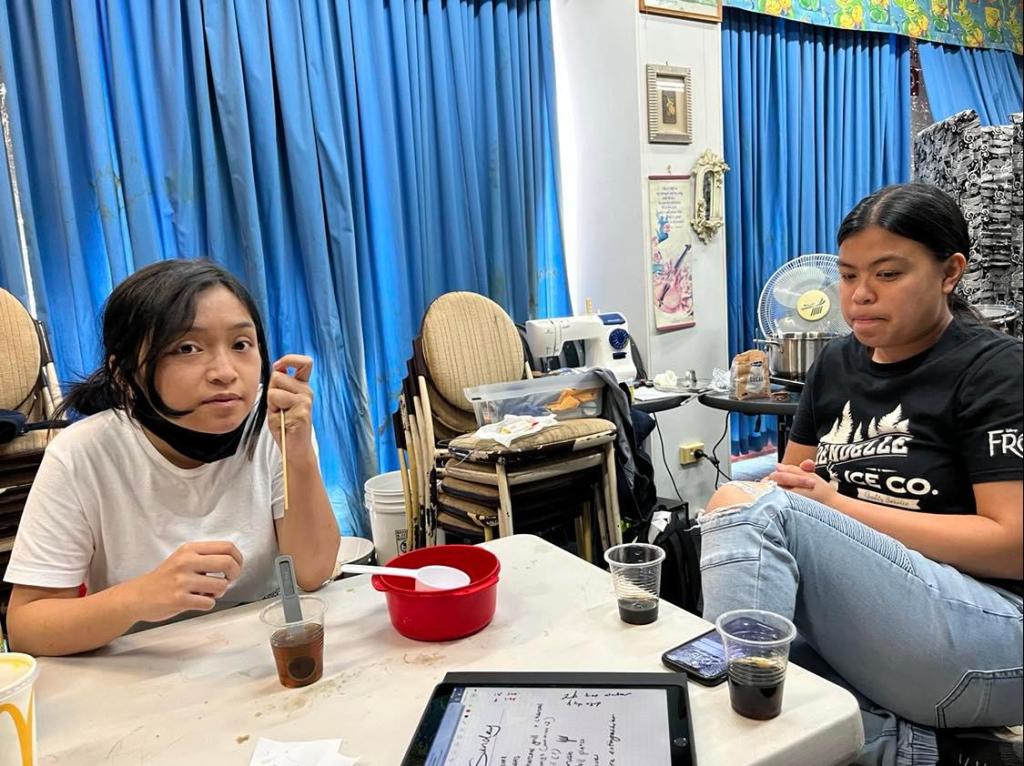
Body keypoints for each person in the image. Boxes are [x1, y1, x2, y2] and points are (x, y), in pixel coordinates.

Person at [698, 183, 1023, 765]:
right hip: (884, 631)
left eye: (888, 274)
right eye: (848, 276)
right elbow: (788, 484)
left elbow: (1013, 547)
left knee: (749, 521)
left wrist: (835, 504)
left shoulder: (995, 370)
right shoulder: (834, 363)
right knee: (738, 509)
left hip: (991, 630)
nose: (860, 295)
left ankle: (727, 736)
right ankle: (925, 750)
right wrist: (791, 504)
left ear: (950, 273)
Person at [3, 260, 340, 656]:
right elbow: (27, 629)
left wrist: (299, 456)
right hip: (141, 669)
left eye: (240, 344)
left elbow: (312, 572)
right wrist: (140, 596)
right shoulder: (83, 454)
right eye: (187, 348)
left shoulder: (275, 425)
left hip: (259, 658)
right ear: (125, 374)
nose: (225, 372)